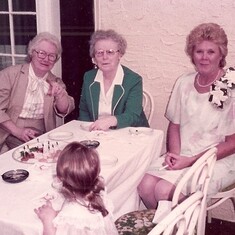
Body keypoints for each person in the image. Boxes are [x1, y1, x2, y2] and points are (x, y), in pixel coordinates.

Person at [138, 23, 235, 209]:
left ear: (221, 54)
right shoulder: (184, 82)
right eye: (199, 51)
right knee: (145, 185)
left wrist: (191, 161)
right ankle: (168, 227)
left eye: (211, 52)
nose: (204, 57)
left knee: (164, 191)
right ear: (192, 54)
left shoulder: (231, 85)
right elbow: (175, 124)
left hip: (217, 159)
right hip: (184, 153)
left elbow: (232, 142)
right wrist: (174, 154)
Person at [0, 32, 75, 152]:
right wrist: (17, 131)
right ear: (32, 53)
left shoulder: (55, 81)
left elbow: (65, 109)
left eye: (52, 56)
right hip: (10, 131)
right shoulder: (10, 75)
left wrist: (60, 95)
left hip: (41, 135)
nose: (46, 59)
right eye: (41, 53)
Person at [34, 141, 118, 235]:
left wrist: (48, 220)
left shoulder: (72, 215)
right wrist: (58, 214)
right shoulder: (98, 195)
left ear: (60, 179)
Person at [78, 29, 149, 131]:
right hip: (98, 135)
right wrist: (88, 131)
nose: (105, 57)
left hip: (129, 133)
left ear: (120, 54)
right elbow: (84, 111)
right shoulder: (89, 77)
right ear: (94, 57)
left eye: (110, 52)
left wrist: (112, 120)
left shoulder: (133, 80)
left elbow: (133, 116)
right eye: (99, 53)